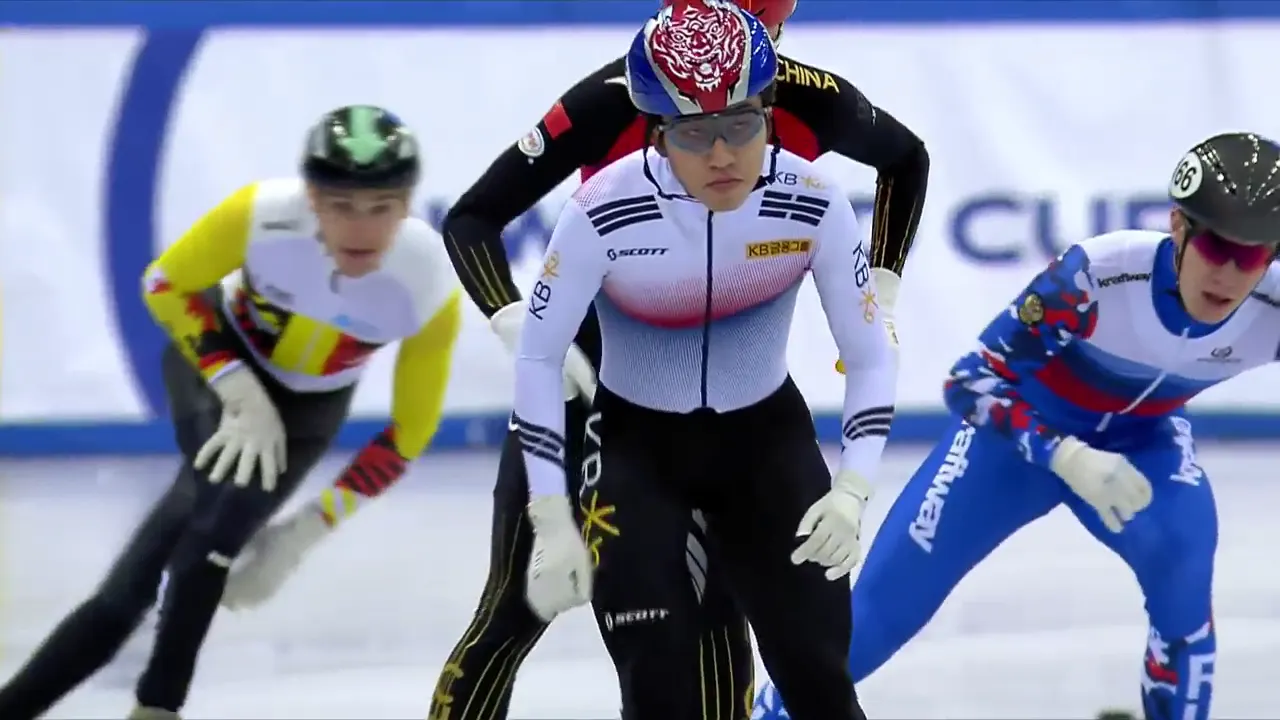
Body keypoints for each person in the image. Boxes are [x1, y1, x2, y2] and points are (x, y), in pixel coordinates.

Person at [429, 0, 928, 714]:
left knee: (733, 619)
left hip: (741, 412)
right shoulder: (611, 105)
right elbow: (474, 216)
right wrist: (512, 319)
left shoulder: (810, 105)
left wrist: (881, 286)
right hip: (596, 386)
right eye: (694, 127)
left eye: (743, 114)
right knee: (518, 610)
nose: (720, 149)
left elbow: (906, 159)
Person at [752, 132, 1280, 720]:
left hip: (1143, 445)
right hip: (1014, 443)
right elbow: (970, 382)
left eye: (1253, 256)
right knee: (873, 621)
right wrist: (1066, 456)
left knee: (1186, 596)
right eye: (1217, 248)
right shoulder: (1101, 276)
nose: (1229, 274)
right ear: (1179, 228)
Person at [0, 105, 461, 720]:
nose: (360, 227)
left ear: (407, 207)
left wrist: (306, 532)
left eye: (381, 207)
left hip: (307, 413)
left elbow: (411, 432)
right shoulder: (262, 215)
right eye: (340, 205)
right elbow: (164, 283)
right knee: (215, 519)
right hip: (214, 365)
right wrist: (238, 388)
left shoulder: (428, 283)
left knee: (168, 557)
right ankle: (156, 706)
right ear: (311, 199)